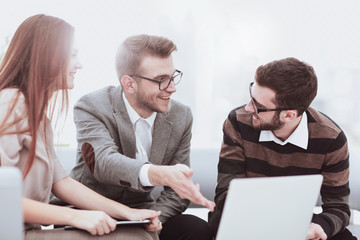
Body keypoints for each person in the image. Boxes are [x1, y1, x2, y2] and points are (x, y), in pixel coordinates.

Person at [0, 14, 162, 240]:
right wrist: (75, 217)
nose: (79, 64)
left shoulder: (40, 119)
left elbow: (62, 182)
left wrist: (128, 213)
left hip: (26, 232)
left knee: (139, 232)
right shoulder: (11, 104)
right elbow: (2, 199)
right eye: (72, 54)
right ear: (47, 55)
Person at [64, 34, 215, 240]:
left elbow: (176, 191)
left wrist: (155, 218)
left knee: (196, 229)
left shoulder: (181, 115)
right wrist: (158, 173)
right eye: (161, 80)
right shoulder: (92, 106)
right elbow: (103, 162)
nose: (172, 88)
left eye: (173, 76)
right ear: (129, 84)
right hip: (90, 212)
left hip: (144, 211)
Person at [208, 57, 357, 240]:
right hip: (243, 217)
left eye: (258, 106)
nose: (248, 108)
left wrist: (313, 228)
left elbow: (339, 208)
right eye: (251, 96)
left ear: (288, 115)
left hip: (298, 223)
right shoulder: (238, 122)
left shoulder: (331, 138)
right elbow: (225, 193)